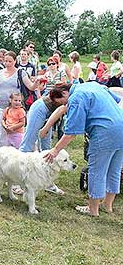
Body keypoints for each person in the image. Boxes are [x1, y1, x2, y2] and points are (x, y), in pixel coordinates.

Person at [44, 83, 123, 216]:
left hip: (104, 132)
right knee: (114, 170)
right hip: (121, 127)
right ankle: (107, 206)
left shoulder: (76, 97)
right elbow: (116, 99)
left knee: (97, 171)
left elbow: (71, 133)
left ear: (64, 93)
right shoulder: (93, 85)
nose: (64, 106)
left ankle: (93, 210)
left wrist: (55, 150)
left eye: (62, 102)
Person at [0, 51, 40, 147]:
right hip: (2, 108)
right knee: (2, 134)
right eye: (5, 61)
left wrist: (37, 82)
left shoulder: (20, 73)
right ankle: (1, 154)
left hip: (16, 108)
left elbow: (31, 87)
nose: (7, 63)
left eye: (10, 61)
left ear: (15, 61)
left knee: (17, 133)